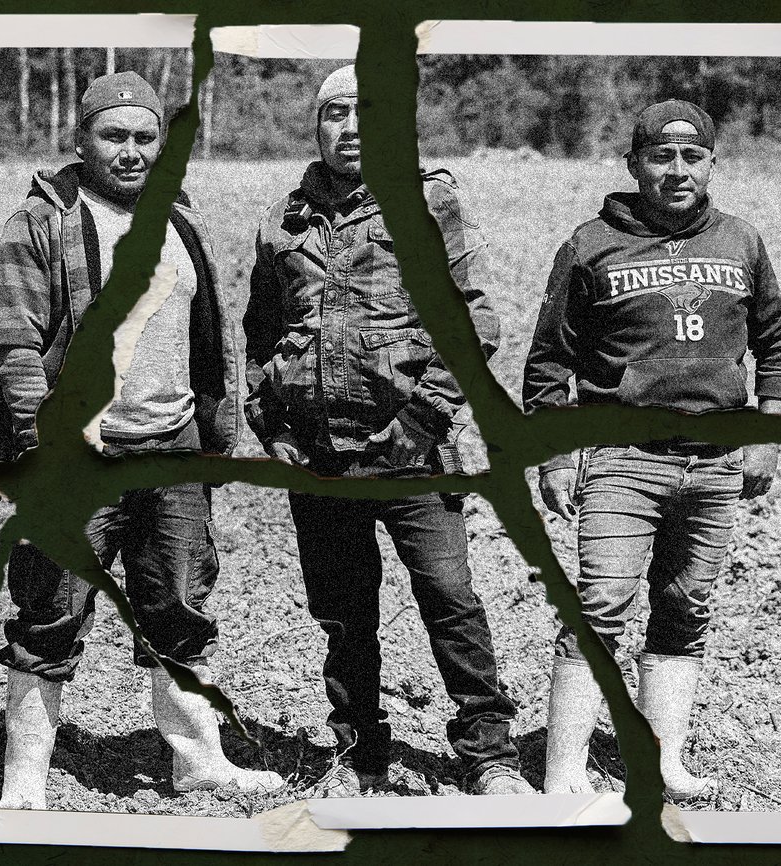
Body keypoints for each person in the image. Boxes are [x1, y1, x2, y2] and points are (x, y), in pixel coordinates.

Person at [0, 71, 282, 809]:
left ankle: (196, 762)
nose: (130, 151)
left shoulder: (179, 221)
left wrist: (215, 431)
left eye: (145, 137)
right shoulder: (43, 222)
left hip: (173, 449)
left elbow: (209, 337)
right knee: (51, 610)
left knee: (179, 608)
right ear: (81, 139)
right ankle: (24, 779)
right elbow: (14, 347)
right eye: (113, 135)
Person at [244, 65, 534, 798]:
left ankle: (488, 753)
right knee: (344, 614)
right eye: (336, 113)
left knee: (449, 596)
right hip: (318, 455)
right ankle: (360, 754)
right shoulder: (285, 217)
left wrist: (424, 417)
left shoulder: (428, 201)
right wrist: (268, 420)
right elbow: (260, 329)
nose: (352, 128)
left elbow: (474, 320)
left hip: (411, 449)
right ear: (317, 125)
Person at [523, 99, 781, 800]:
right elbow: (550, 361)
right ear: (635, 164)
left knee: (685, 606)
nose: (678, 171)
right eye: (661, 157)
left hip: (714, 462)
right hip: (622, 460)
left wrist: (765, 432)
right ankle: (562, 776)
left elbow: (777, 341)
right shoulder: (591, 245)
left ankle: (665, 764)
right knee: (602, 604)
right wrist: (555, 457)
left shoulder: (741, 241)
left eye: (693, 156)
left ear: (711, 162)